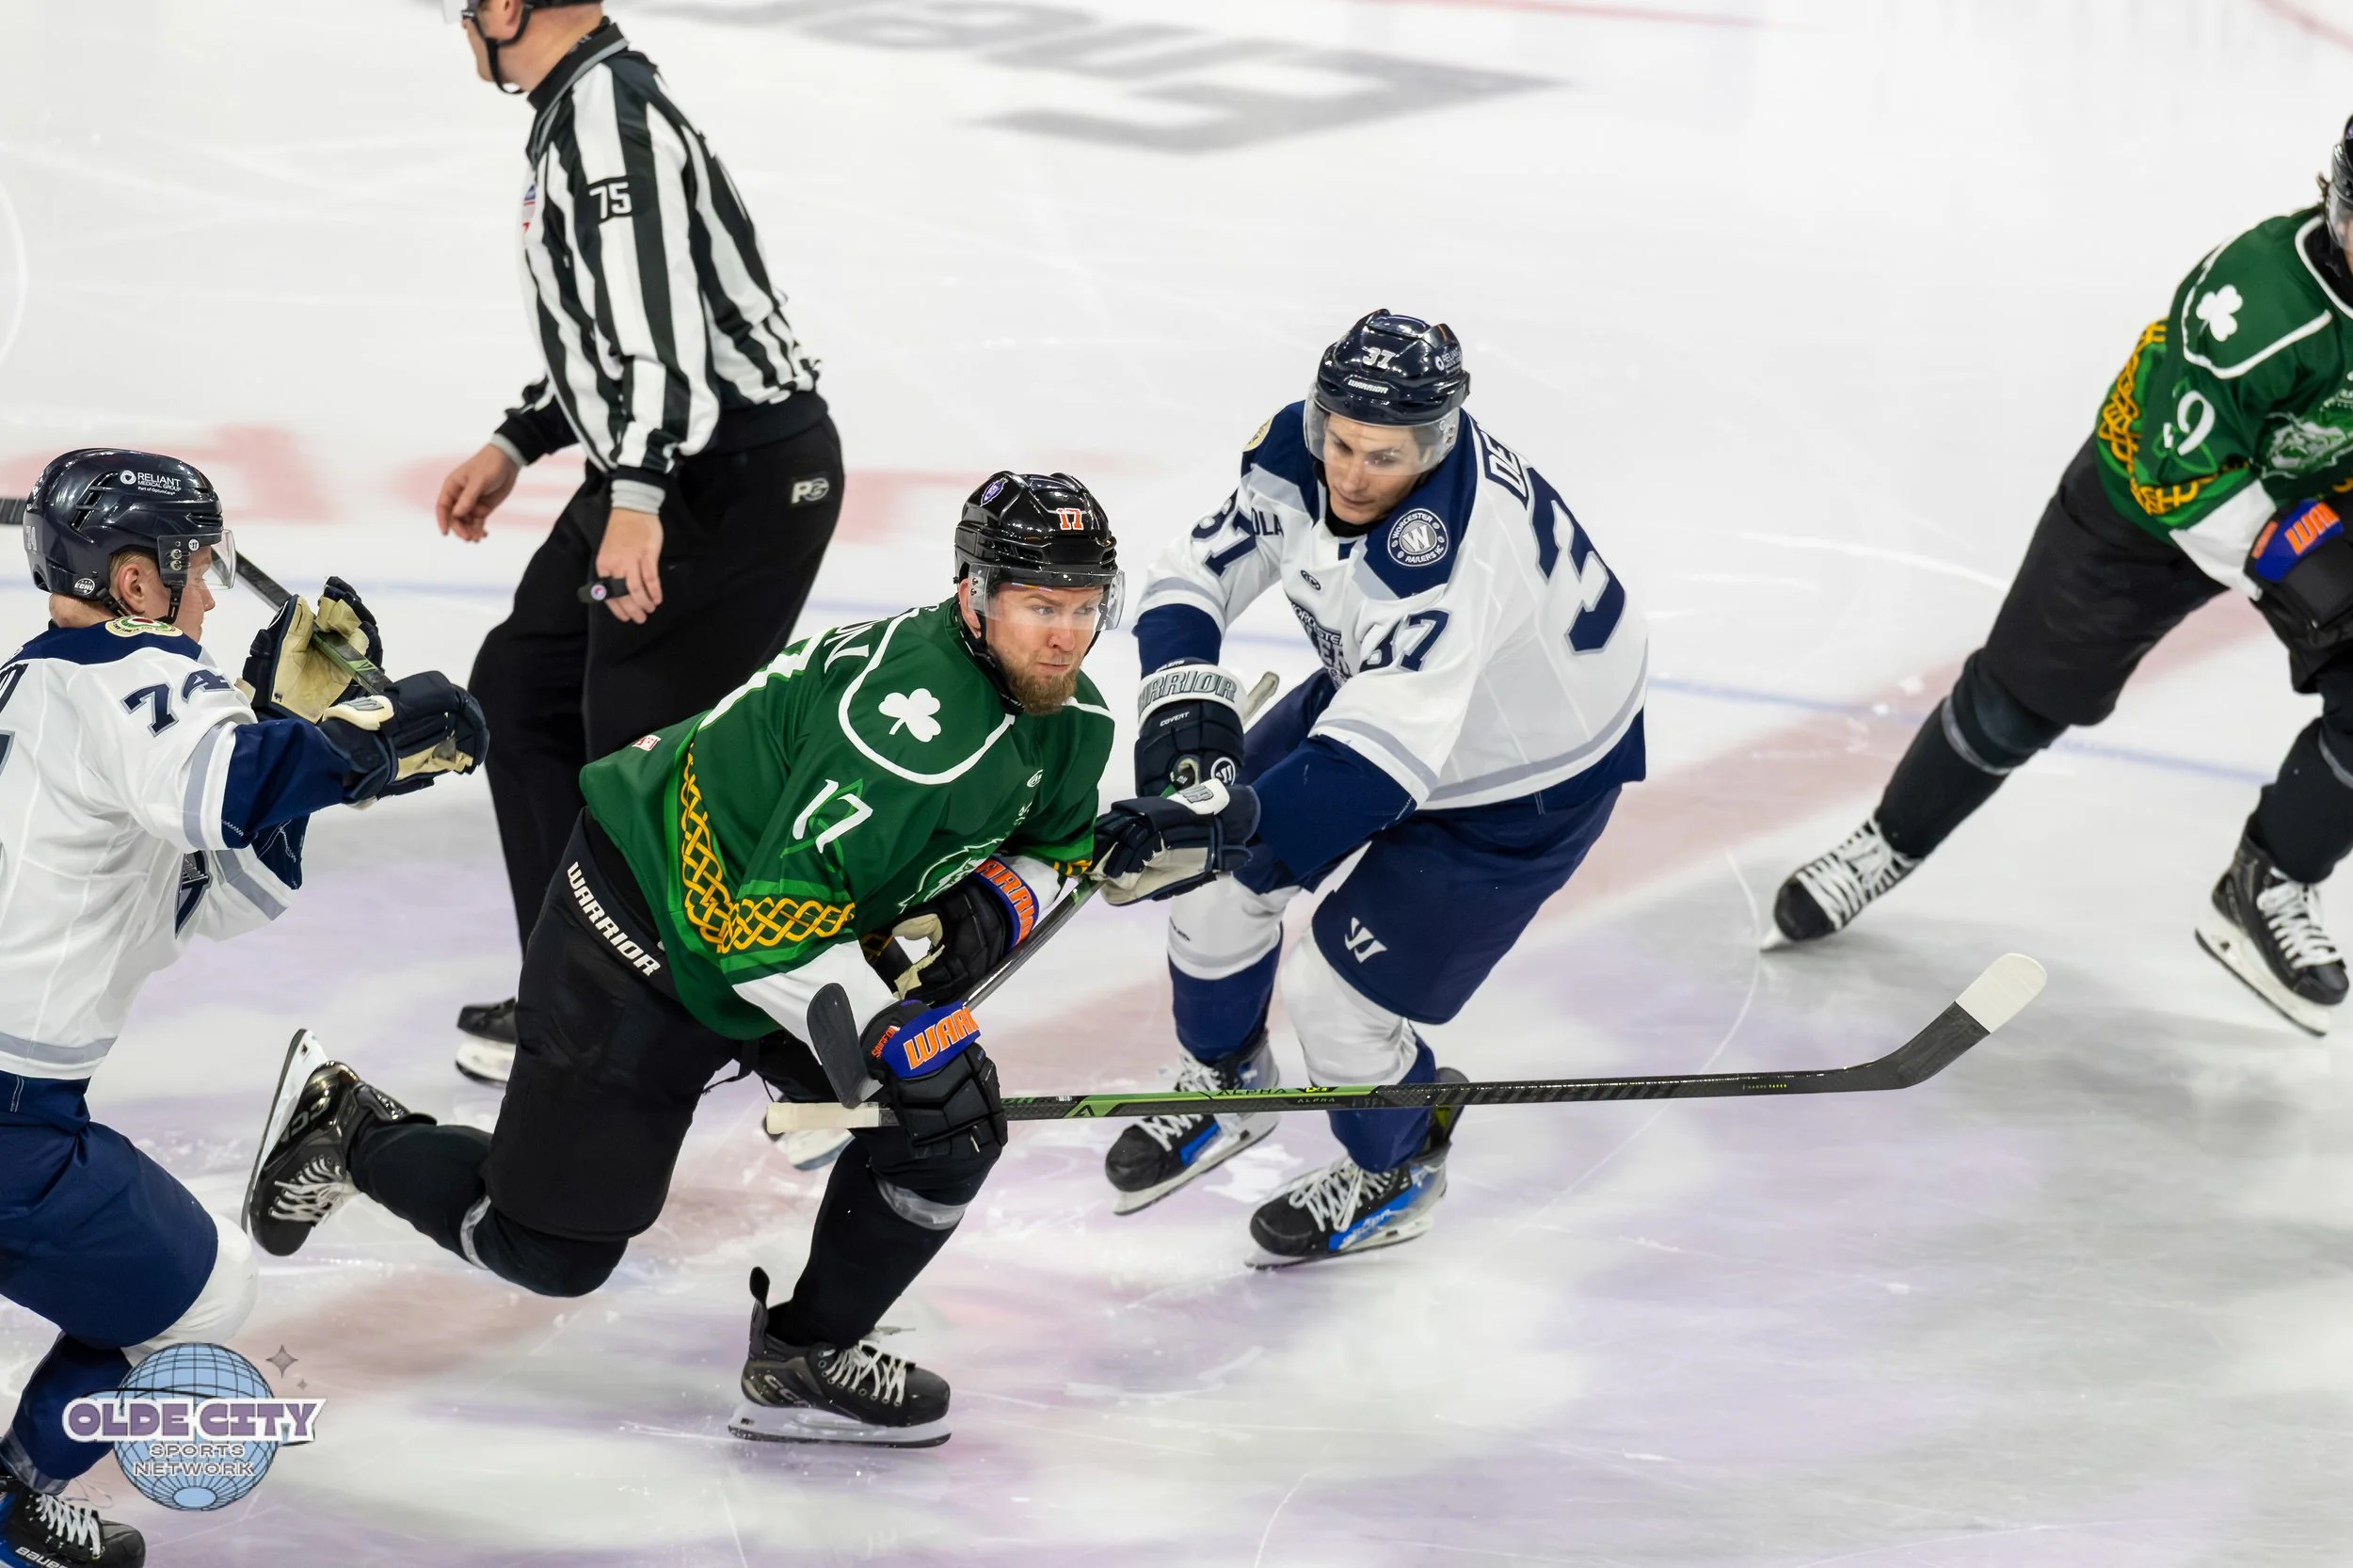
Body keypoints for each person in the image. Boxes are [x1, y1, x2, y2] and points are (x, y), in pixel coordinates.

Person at [243, 473, 1248, 1446]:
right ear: (973, 594)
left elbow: (1048, 845)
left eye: (1084, 606)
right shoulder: (904, 729)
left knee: (947, 1128)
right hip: (640, 929)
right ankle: (347, 1126)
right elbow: (764, 936)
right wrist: (904, 1030)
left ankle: (804, 1354)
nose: (1067, 634)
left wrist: (1012, 898)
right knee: (549, 1251)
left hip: (779, 929)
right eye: (1040, 606)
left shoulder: (1073, 719)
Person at [0, 451, 485, 1567]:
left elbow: (217, 893)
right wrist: (371, 736)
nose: (210, 600)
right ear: (135, 581)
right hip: (16, 1128)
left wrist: (288, 730)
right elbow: (227, 788)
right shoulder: (135, 675)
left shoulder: (37, 686)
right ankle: (12, 1502)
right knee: (200, 1300)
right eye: (195, 568)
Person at [1772, 118, 2353, 1035]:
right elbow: (2181, 477)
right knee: (2018, 704)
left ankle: (2268, 879)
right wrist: (2309, 570)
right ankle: (1887, 842)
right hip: (2151, 504)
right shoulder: (2256, 302)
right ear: (2335, 201)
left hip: (2320, 497)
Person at [1110, 311, 1650, 1260]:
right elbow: (1193, 573)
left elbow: (1372, 770)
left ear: (1435, 443)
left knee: (1335, 996)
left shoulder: (1445, 558)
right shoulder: (1300, 448)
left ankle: (1397, 1169)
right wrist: (1183, 707)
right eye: (1341, 442)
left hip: (1523, 779)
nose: (1352, 475)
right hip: (1396, 693)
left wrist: (1219, 818)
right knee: (1210, 886)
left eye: (1384, 457)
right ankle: (1230, 1084)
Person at [431, 0, 844, 1083]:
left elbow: (661, 349)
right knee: (521, 689)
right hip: (675, 468)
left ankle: (671, 1027)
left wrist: (637, 495)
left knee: (637, 765)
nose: (460, 21)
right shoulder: (585, 107)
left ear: (507, 9)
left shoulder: (606, 123)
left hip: (727, 482)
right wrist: (522, 438)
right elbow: (617, 334)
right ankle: (575, 989)